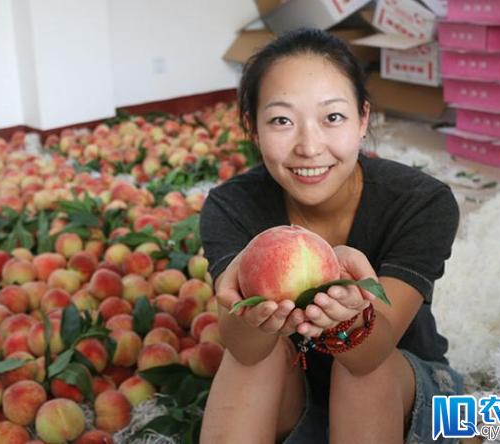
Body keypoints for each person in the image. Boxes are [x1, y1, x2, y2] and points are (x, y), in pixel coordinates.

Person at [198, 28, 466, 443]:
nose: (309, 146)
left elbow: (370, 355)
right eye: (282, 120)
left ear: (363, 119)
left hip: (397, 391)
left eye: (333, 117)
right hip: (296, 399)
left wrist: (353, 321)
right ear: (252, 127)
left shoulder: (421, 202)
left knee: (359, 369)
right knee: (256, 358)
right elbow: (243, 348)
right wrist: (247, 316)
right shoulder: (230, 207)